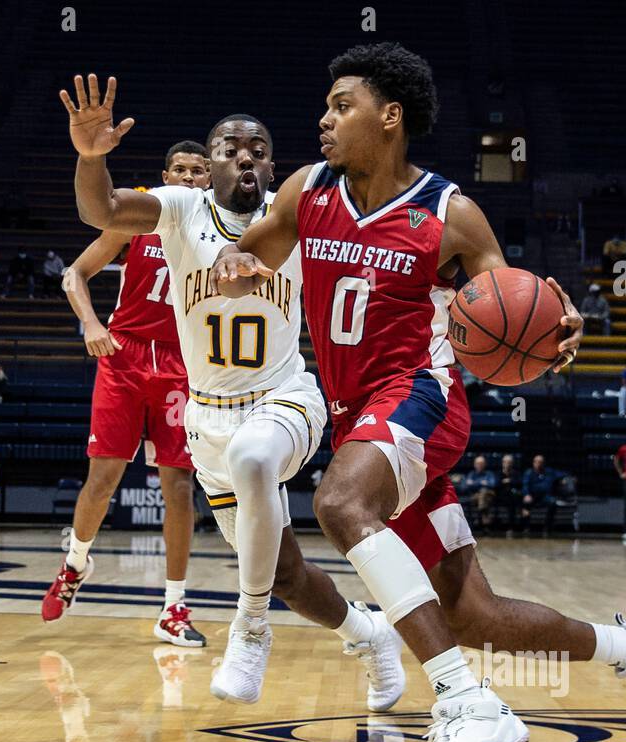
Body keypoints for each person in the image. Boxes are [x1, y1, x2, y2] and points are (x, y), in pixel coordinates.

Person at [213, 42, 626, 742]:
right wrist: (237, 267)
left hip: (420, 400)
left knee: (339, 504)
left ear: (389, 116)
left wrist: (561, 327)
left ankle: (466, 704)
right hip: (355, 419)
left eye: (342, 105)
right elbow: (252, 256)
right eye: (327, 106)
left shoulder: (450, 214)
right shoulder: (307, 190)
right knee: (474, 615)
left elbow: (514, 307)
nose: (324, 119)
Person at [61, 80, 409, 710]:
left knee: (254, 459)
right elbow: (101, 211)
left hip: (284, 399)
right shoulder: (176, 208)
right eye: (230, 148)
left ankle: (248, 630)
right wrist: (91, 156)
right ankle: (369, 633)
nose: (244, 157)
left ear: (272, 165)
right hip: (207, 420)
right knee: (287, 575)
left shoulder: (302, 211)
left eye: (258, 149)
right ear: (211, 162)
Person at [43, 140, 210, 646]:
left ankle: (174, 607)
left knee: (179, 489)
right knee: (104, 478)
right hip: (126, 355)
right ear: (164, 175)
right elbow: (75, 274)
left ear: (209, 178)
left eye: (198, 171)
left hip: (184, 364)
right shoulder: (139, 216)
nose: (187, 177)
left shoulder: (218, 231)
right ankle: (75, 564)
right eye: (178, 169)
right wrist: (91, 323)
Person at [519, 454, 563, 535]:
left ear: (544, 463)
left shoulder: (549, 472)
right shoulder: (529, 473)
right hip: (532, 496)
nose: (539, 464)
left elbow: (562, 474)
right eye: (537, 462)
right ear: (533, 463)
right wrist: (526, 494)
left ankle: (547, 527)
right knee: (525, 503)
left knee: (553, 502)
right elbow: (525, 485)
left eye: (541, 462)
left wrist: (566, 479)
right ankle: (526, 527)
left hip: (545, 497)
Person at [456, 454, 496, 529]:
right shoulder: (471, 474)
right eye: (478, 464)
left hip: (489, 496)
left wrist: (473, 484)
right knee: (482, 494)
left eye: (481, 464)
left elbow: (492, 484)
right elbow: (464, 487)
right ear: (474, 465)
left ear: (485, 464)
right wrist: (482, 483)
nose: (479, 465)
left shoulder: (489, 474)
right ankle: (483, 515)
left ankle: (479, 517)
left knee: (484, 492)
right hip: (475, 497)